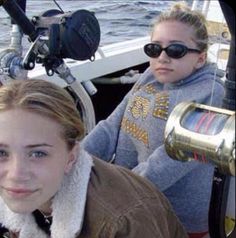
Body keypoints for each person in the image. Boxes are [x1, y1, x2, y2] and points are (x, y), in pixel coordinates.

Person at [82, 2, 225, 238]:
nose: (163, 57)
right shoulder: (150, 76)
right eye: (154, 49)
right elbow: (110, 127)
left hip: (172, 220)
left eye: (176, 50)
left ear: (200, 59)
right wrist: (73, 162)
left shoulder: (210, 94)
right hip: (129, 199)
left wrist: (111, 193)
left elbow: (168, 162)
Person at [0, 79, 187, 238]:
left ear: (71, 157)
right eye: (1, 153)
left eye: (38, 153)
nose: (15, 174)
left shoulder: (123, 222)